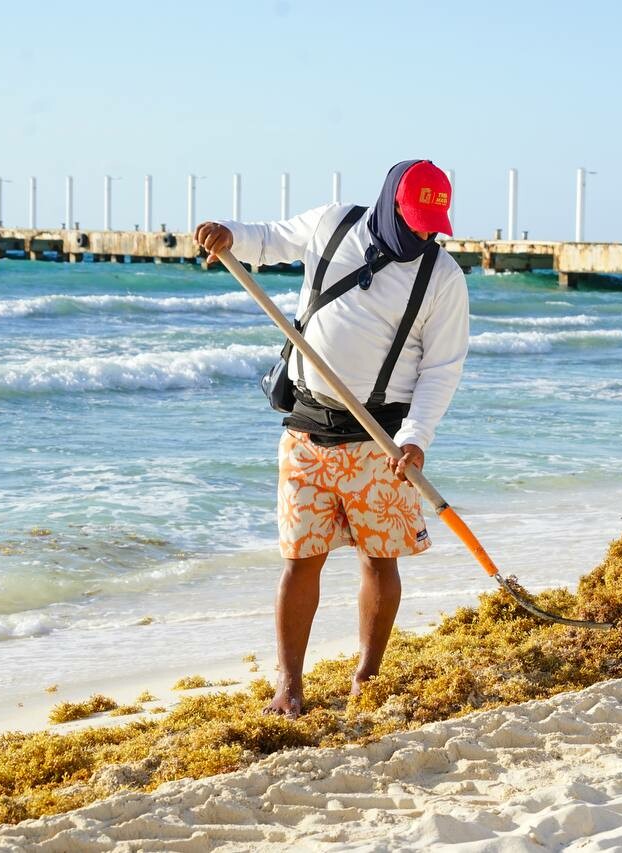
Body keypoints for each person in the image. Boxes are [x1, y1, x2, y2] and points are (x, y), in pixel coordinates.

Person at [194, 160, 468, 718]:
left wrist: (415, 438)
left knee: (379, 560)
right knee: (301, 559)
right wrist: (230, 236)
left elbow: (442, 368)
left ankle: (366, 677)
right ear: (390, 202)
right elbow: (268, 240)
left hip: (381, 443)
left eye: (432, 224)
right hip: (305, 429)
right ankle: (288, 686)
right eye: (414, 220)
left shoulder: (443, 277)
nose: (422, 233)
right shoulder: (333, 224)